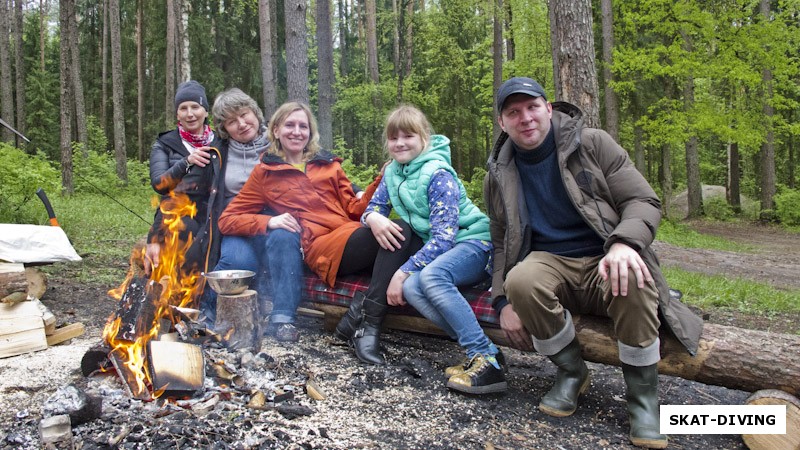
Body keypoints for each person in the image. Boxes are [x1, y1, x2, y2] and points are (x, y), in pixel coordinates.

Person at [484, 77, 703, 448]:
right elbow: (502, 240)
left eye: (533, 107)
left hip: (607, 254)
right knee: (521, 280)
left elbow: (642, 201)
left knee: (633, 275)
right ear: (503, 123)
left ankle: (644, 400)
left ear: (548, 109)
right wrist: (502, 301)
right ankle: (572, 372)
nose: (526, 118)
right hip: (551, 261)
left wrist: (624, 244)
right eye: (513, 112)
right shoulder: (499, 173)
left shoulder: (592, 143)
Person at [348, 105, 506, 393]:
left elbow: (445, 237)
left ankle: (486, 357)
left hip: (474, 243)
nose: (400, 143)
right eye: (393, 138)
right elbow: (371, 207)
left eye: (408, 136)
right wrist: (373, 218)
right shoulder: (393, 173)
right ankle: (482, 353)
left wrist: (402, 272)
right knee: (412, 289)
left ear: (424, 139)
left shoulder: (438, 174)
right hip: (444, 252)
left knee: (429, 278)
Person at [218, 101, 389, 343]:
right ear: (276, 130)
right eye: (289, 125)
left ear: (310, 133)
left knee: (401, 231)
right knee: (284, 234)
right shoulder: (265, 173)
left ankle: (367, 312)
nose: (297, 132)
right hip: (316, 246)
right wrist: (269, 221)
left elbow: (353, 208)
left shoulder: (328, 165)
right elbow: (227, 220)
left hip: (346, 233)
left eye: (303, 126)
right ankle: (283, 318)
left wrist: (380, 179)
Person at [144, 80, 223, 279]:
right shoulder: (165, 143)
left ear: (206, 111)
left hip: (215, 215)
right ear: (177, 114)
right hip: (176, 213)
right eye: (183, 108)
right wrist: (186, 162)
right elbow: (160, 185)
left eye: (195, 107)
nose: (190, 113)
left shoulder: (220, 142)